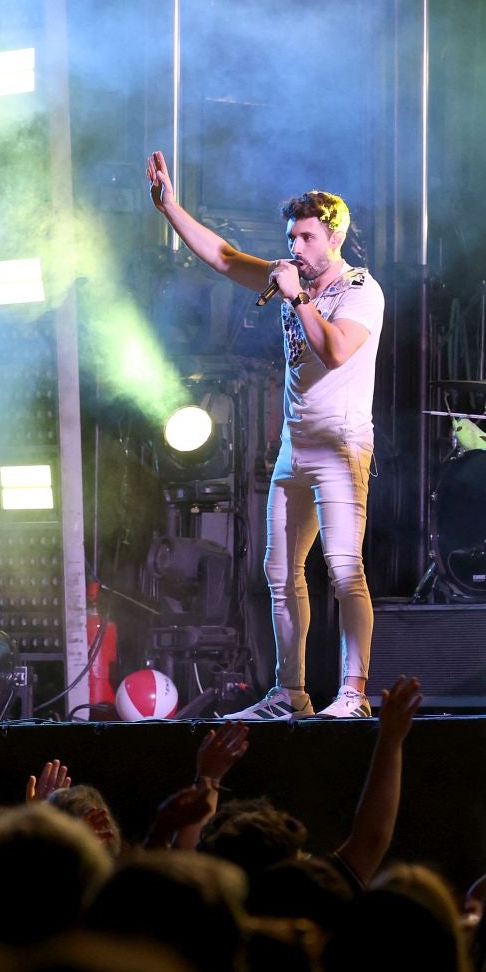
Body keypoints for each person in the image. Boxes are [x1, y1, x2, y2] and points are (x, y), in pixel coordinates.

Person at [146, 151, 385, 719]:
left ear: (334, 238)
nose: (295, 247)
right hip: (295, 447)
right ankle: (290, 693)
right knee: (279, 573)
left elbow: (334, 351)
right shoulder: (288, 276)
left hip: (341, 445)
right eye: (291, 237)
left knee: (344, 569)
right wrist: (171, 208)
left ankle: (353, 694)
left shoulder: (361, 290)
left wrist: (297, 297)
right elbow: (224, 257)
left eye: (306, 237)